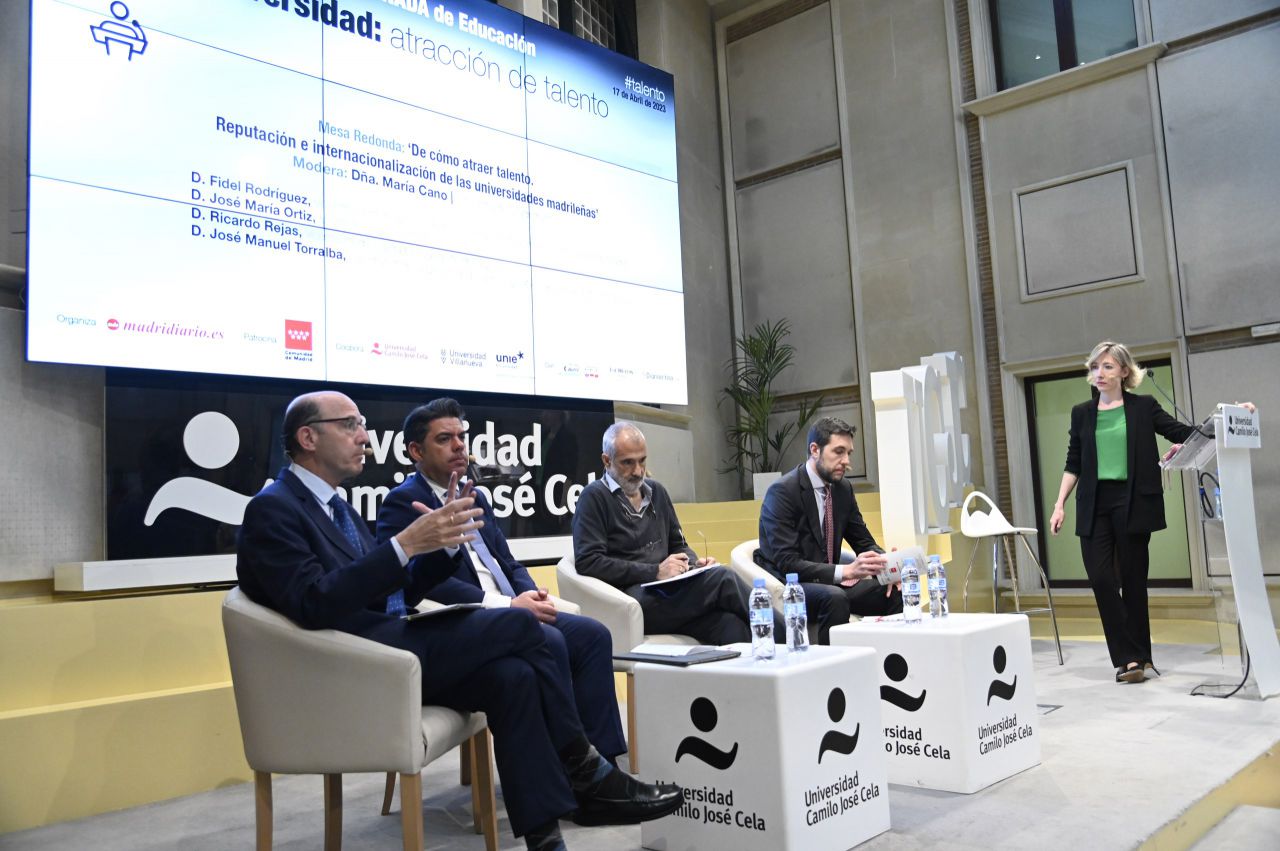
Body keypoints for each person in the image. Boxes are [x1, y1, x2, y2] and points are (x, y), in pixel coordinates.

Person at [235, 391, 682, 851]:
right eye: (349, 425)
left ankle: (547, 838)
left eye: (361, 424)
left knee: (512, 678)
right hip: (364, 663)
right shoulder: (273, 508)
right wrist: (405, 546)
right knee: (523, 627)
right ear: (308, 437)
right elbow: (312, 602)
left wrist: (441, 547)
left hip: (391, 642)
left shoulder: (338, 507)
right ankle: (587, 769)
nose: (363, 437)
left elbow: (396, 593)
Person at [376, 398, 627, 763]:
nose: (459, 446)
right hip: (472, 620)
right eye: (445, 439)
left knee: (593, 635)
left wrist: (531, 593)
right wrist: (509, 605)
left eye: (461, 437)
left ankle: (603, 762)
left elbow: (506, 561)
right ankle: (566, 765)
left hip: (514, 607)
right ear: (416, 450)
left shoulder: (475, 494)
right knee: (552, 640)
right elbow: (425, 583)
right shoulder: (403, 502)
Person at [1048, 342, 1216, 684]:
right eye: (1095, 367)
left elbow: (1181, 432)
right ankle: (1133, 654)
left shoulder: (1143, 407)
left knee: (1134, 581)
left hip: (1133, 501)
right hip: (1095, 503)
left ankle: (1135, 659)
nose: (1099, 373)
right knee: (1100, 579)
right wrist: (1059, 503)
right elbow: (1073, 462)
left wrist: (1225, 422)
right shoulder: (1082, 413)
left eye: (1107, 366)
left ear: (1124, 371)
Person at [573, 422, 777, 645]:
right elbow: (589, 561)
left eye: (642, 460)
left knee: (731, 626)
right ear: (606, 460)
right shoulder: (593, 498)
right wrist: (655, 572)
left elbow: (678, 544)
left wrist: (693, 564)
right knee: (723, 579)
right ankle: (791, 641)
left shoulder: (657, 492)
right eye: (628, 463)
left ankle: (769, 662)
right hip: (632, 600)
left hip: (670, 593)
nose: (638, 471)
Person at [755, 416, 902, 644]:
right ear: (815, 450)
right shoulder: (783, 492)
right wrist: (847, 571)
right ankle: (833, 665)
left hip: (831, 583)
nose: (846, 461)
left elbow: (863, 542)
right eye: (839, 452)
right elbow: (788, 562)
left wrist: (888, 565)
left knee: (893, 591)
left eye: (849, 453)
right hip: (791, 585)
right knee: (835, 597)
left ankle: (890, 659)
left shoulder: (842, 489)